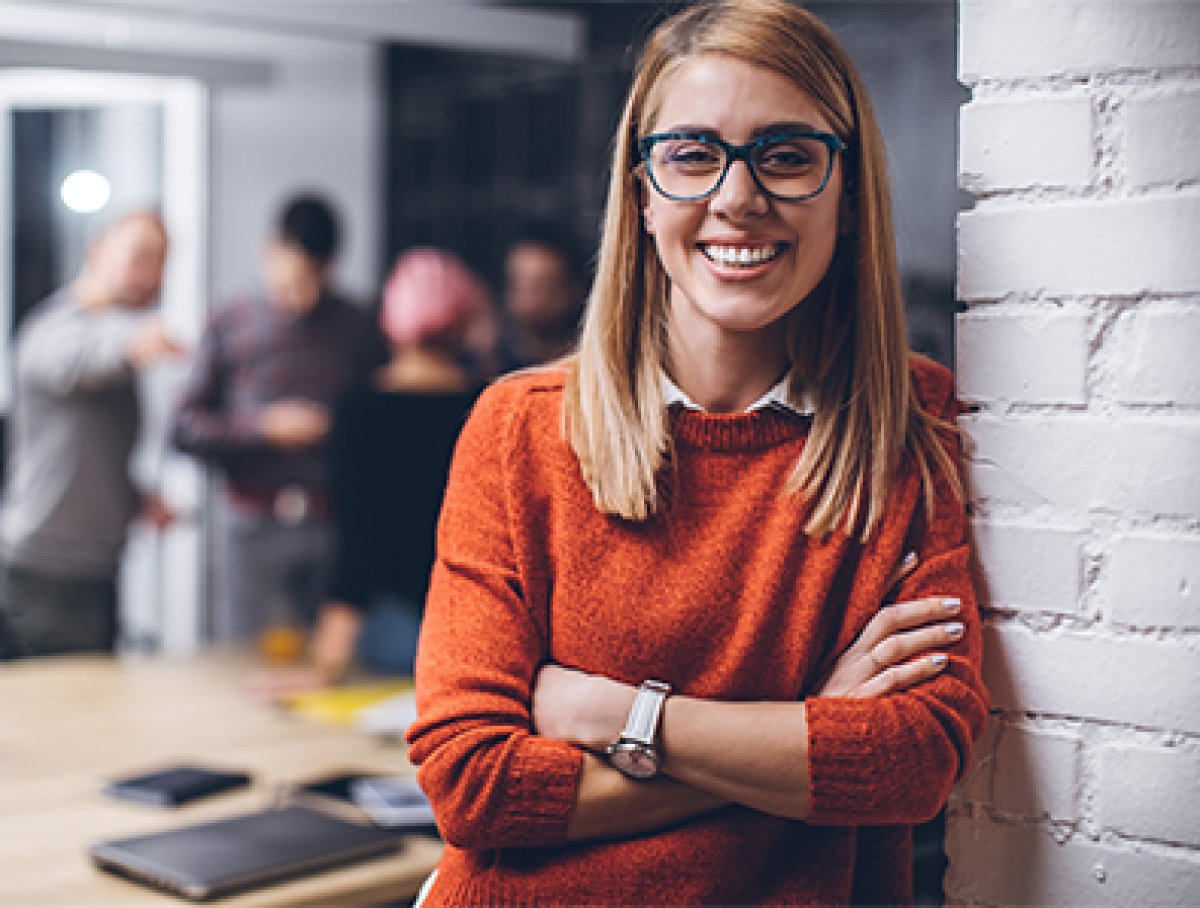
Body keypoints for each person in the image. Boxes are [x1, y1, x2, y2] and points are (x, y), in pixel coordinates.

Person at [403, 1, 988, 905]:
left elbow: (913, 763)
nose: (737, 198)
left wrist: (619, 716)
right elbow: (473, 785)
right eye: (691, 155)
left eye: (786, 156)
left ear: (849, 194)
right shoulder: (520, 428)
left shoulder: (912, 423)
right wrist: (812, 729)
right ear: (642, 192)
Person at [249, 248, 488, 699]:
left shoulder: (359, 410)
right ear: (463, 320)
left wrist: (326, 666)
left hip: (397, 632)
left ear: (391, 321)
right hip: (477, 632)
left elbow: (357, 543)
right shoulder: (491, 405)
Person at [172, 194, 386, 644]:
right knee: (246, 656)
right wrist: (262, 428)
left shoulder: (357, 324)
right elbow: (184, 426)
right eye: (294, 279)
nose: (304, 297)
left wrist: (337, 430)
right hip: (253, 522)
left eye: (316, 279)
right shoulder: (229, 321)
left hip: (334, 522)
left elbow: (380, 425)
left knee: (334, 658)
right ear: (269, 252)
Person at [0, 210, 181, 657]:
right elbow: (80, 358)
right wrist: (130, 343)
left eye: (161, 261)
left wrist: (134, 498)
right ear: (97, 252)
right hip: (46, 567)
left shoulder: (111, 340)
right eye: (141, 256)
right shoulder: (54, 328)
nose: (152, 275)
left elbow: (89, 451)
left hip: (96, 565)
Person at [493, 222, 585, 371]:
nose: (530, 302)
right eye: (518, 286)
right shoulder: (489, 365)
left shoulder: (589, 366)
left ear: (574, 290)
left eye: (544, 288)